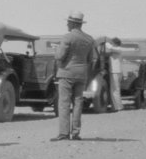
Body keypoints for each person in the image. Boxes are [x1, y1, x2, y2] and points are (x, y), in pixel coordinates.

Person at [51, 11, 96, 141]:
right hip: (82, 74)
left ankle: (64, 133)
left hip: (66, 72)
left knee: (64, 103)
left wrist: (57, 50)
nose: (67, 24)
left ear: (72, 23)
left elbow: (59, 56)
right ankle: (75, 132)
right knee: (78, 102)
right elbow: (90, 59)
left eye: (68, 22)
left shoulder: (68, 37)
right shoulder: (89, 39)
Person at [103, 37, 135, 112]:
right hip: (116, 71)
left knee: (115, 90)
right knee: (115, 90)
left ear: (115, 44)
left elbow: (109, 46)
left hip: (115, 72)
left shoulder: (118, 49)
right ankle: (115, 106)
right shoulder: (116, 50)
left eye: (112, 43)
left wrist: (105, 41)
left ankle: (118, 107)